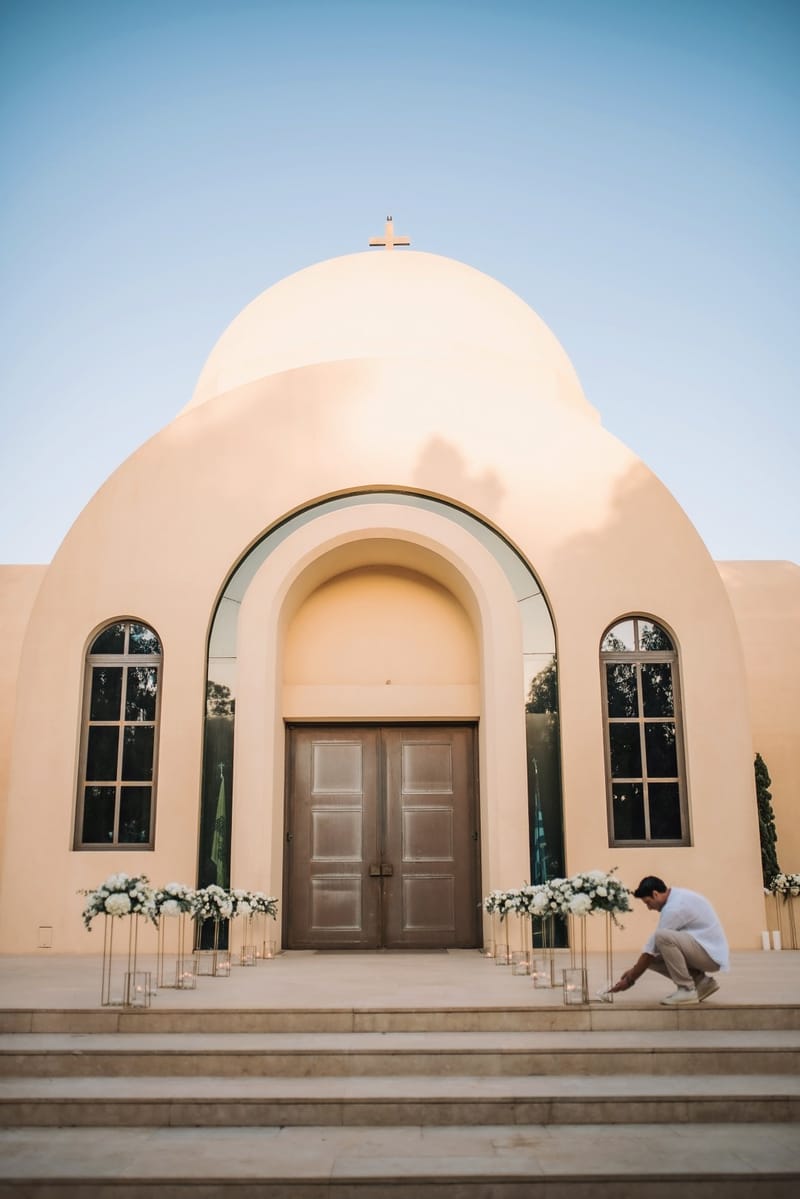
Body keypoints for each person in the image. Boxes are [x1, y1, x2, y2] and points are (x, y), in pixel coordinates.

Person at [610, 876, 729, 1006]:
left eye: (648, 902)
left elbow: (653, 946)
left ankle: (687, 989)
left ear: (655, 894)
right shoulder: (675, 897)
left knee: (661, 938)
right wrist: (634, 970)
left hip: (709, 955)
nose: (649, 908)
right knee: (650, 959)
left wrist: (630, 979)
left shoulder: (674, 908)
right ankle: (702, 983)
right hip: (704, 949)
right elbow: (650, 952)